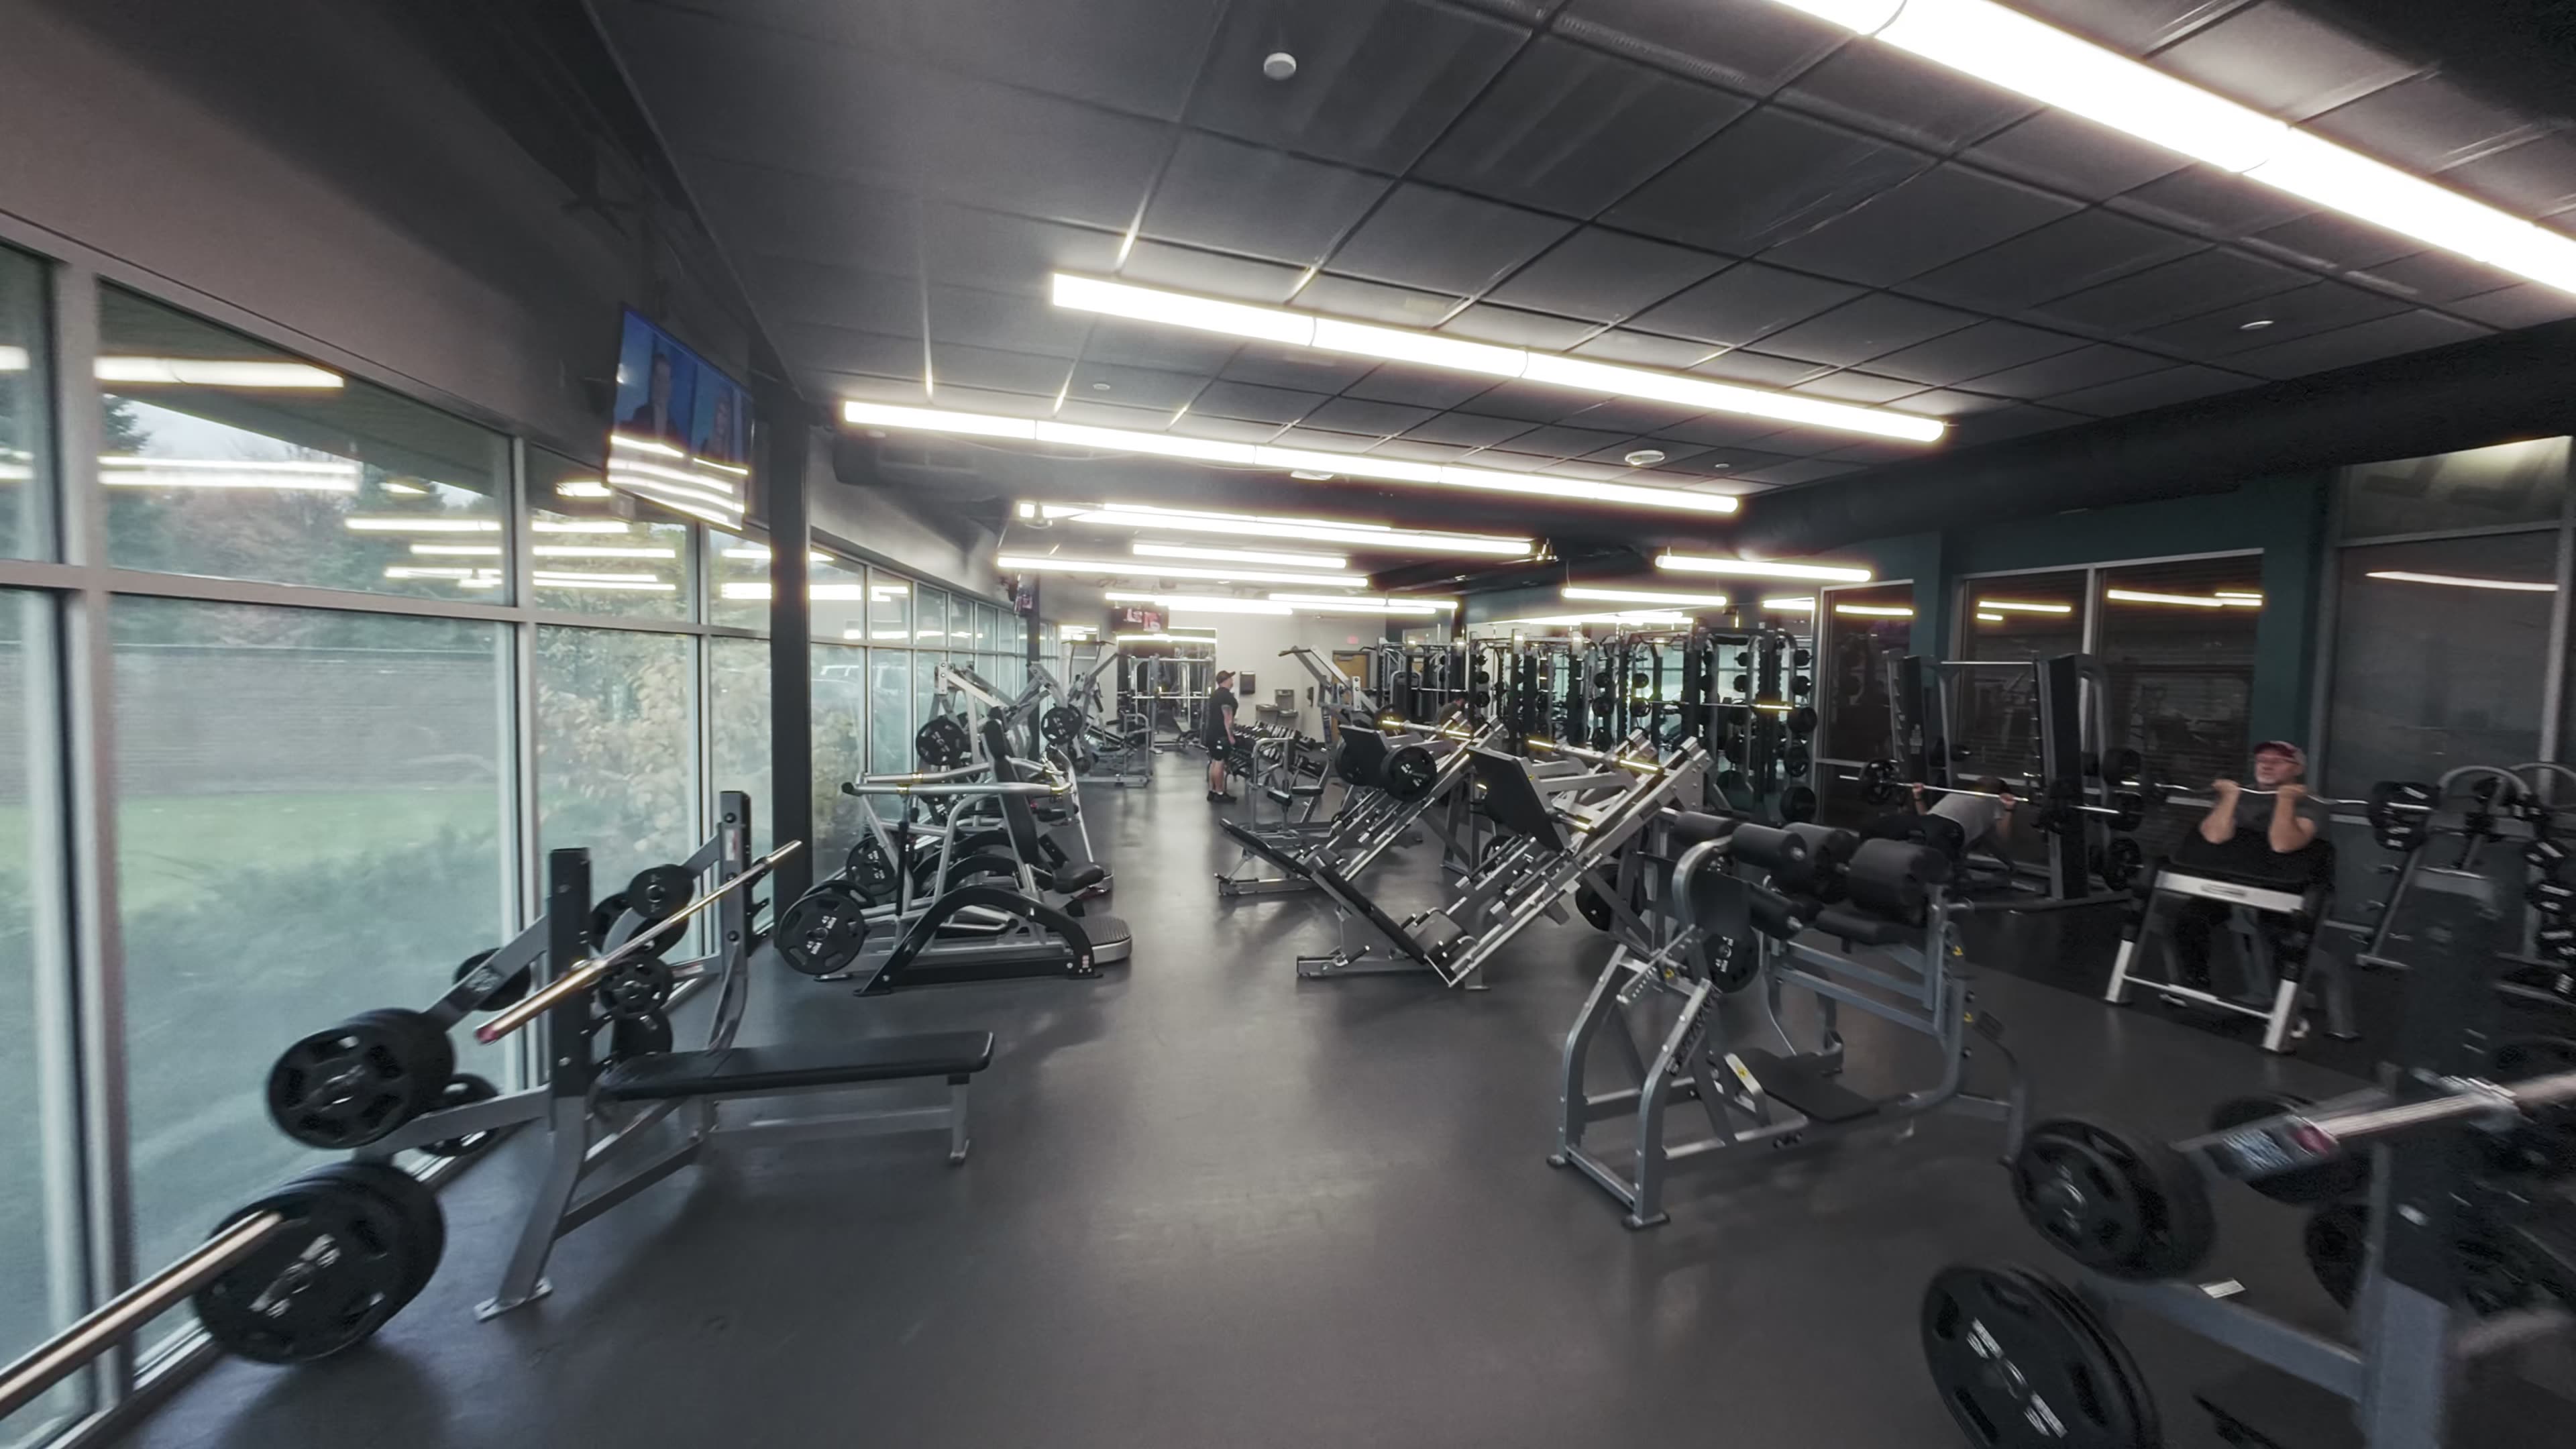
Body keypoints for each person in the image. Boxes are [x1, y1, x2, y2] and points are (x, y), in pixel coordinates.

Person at [2171, 741, 2332, 992]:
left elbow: (2283, 844)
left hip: (2284, 890)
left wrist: (2285, 800)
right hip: (2234, 881)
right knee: (2189, 920)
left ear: (2298, 769)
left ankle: (2286, 1001)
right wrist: (2229, 797)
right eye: (2262, 760)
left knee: (2281, 935)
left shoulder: (2311, 803)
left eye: (2278, 761)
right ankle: (2194, 986)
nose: (2266, 766)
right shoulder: (2242, 796)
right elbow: (2214, 836)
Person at [1910, 777, 2017, 864]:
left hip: (1949, 830)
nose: (1984, 780)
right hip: (1928, 825)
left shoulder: (1995, 802)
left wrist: (2009, 809)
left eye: (1992, 781)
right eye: (1982, 779)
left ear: (1998, 790)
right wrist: (1917, 796)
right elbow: (1925, 817)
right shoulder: (1956, 794)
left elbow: (2003, 836)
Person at [623, 347, 684, 442]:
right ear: (651, 381)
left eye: (665, 380)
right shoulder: (641, 415)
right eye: (658, 379)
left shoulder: (673, 427)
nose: (662, 385)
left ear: (670, 385)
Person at [1205, 669, 1239, 802]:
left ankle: (1212, 791)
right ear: (1226, 680)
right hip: (1221, 734)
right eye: (1231, 678)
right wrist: (1230, 737)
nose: (1232, 681)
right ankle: (1220, 793)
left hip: (1212, 733)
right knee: (1220, 763)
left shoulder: (1215, 694)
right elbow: (1228, 719)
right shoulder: (1226, 697)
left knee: (1214, 761)